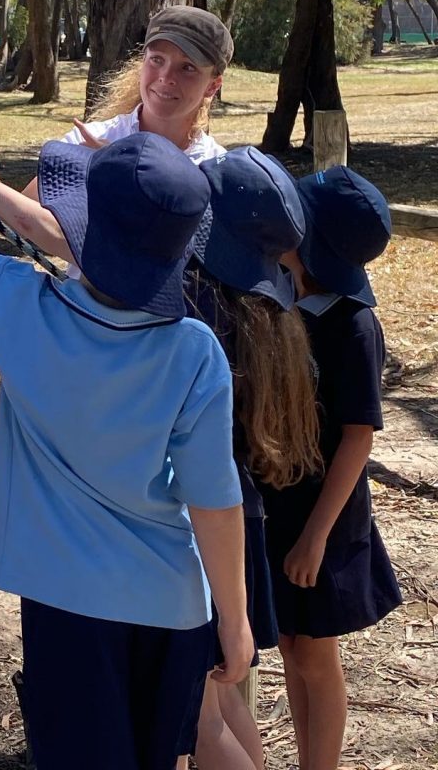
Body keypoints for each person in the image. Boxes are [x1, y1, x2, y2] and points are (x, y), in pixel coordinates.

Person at [0, 59, 253, 770]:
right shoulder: (194, 351)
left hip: (67, 610)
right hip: (174, 605)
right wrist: (237, 623)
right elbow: (216, 505)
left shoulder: (20, 307)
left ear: (81, 229)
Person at [180, 148, 321, 770]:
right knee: (225, 700)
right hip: (243, 526)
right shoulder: (272, 313)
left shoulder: (196, 311)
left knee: (200, 723)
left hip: (201, 534)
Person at [258, 165, 402, 770]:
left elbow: (358, 437)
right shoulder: (282, 297)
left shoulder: (352, 326)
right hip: (279, 503)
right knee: (292, 644)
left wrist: (317, 538)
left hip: (326, 515)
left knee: (315, 651)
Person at [0, 6, 233, 260]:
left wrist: (118, 175)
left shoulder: (219, 173)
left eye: (187, 68)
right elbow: (27, 220)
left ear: (212, 86)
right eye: (157, 59)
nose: (166, 77)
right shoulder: (84, 144)